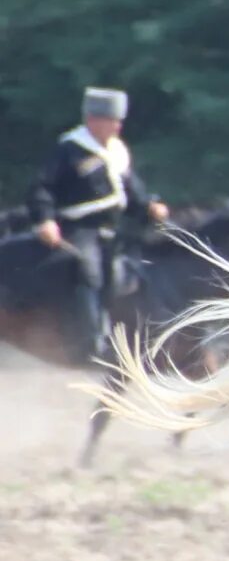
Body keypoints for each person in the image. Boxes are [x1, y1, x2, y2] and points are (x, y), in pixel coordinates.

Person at [26, 87, 172, 365]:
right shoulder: (69, 150)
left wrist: (150, 205)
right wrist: (45, 219)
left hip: (113, 229)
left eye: (118, 121)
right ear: (93, 120)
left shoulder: (117, 152)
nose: (117, 126)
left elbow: (131, 192)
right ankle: (90, 340)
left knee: (135, 272)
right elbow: (41, 188)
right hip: (80, 228)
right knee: (88, 269)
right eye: (111, 120)